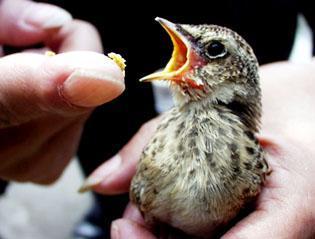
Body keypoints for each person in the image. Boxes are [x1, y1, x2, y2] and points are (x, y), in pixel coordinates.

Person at [1, 0, 315, 238]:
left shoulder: (251, 163)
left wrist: (308, 81)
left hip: (269, 36)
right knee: (115, 190)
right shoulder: (162, 136)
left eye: (214, 50)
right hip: (107, 115)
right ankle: (103, 213)